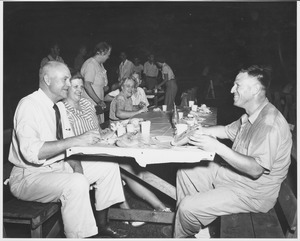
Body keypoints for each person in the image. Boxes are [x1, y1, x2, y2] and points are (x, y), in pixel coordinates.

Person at [8, 61, 127, 238]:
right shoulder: (29, 105)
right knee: (76, 184)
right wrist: (75, 141)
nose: (68, 84)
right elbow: (32, 152)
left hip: (56, 167)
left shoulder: (59, 107)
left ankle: (102, 227)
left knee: (108, 167)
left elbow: (69, 148)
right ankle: (83, 236)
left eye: (69, 79)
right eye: (64, 79)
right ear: (47, 80)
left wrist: (77, 168)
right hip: (29, 176)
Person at [174, 65, 292, 238]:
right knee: (186, 172)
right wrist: (196, 130)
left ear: (255, 90)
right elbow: (225, 131)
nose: (231, 89)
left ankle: (187, 225)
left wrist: (217, 148)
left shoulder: (268, 124)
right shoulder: (252, 114)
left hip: (253, 193)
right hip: (236, 178)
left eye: (237, 85)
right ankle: (196, 228)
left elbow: (256, 170)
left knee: (187, 207)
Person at [65, 74, 170, 226]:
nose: (80, 90)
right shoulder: (62, 109)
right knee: (123, 168)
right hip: (82, 155)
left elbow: (97, 130)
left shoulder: (87, 104)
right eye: (75, 87)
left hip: (99, 147)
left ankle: (155, 208)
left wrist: (108, 132)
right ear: (66, 88)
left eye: (81, 87)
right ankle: (135, 213)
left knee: (127, 168)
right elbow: (70, 139)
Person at [81, 42, 111, 124]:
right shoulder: (90, 64)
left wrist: (104, 87)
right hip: (90, 105)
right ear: (101, 52)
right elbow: (87, 84)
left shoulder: (100, 65)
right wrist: (99, 101)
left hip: (98, 105)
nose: (108, 57)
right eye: (107, 54)